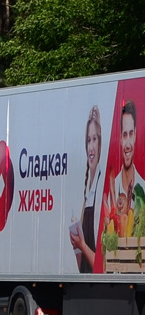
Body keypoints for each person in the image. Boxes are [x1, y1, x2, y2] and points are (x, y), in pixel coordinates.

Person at [70, 105, 103, 273]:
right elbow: (81, 267)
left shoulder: (102, 187)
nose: (91, 146)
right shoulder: (84, 194)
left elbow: (101, 266)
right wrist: (77, 246)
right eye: (88, 140)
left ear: (100, 143)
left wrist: (81, 245)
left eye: (94, 139)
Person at [107, 99, 145, 238]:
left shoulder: (143, 189)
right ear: (120, 139)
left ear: (135, 134)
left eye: (130, 134)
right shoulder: (112, 191)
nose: (128, 143)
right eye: (124, 135)